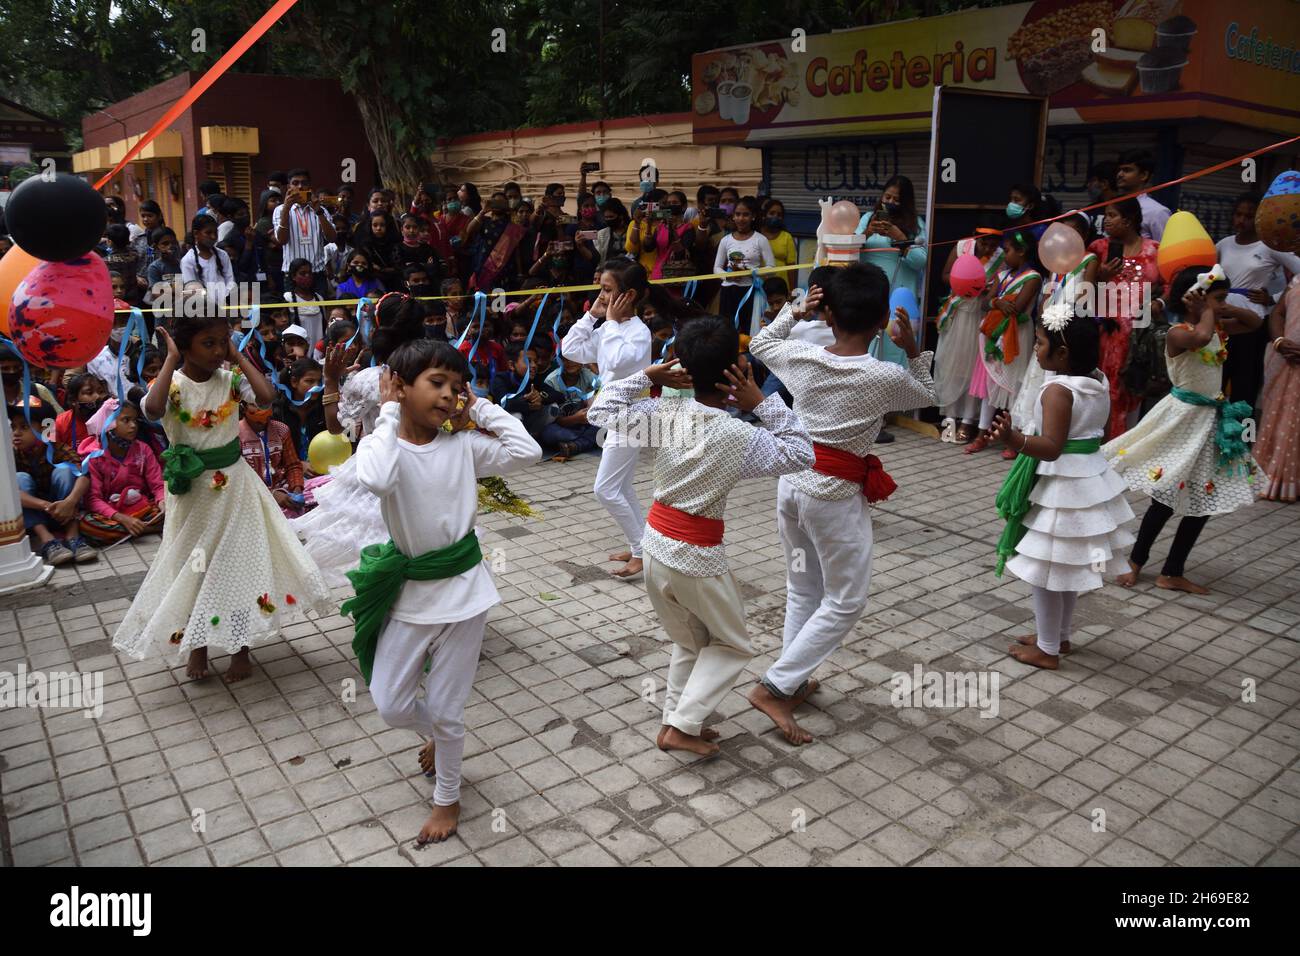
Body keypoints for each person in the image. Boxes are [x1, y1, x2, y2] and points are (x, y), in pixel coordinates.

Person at [343, 340, 541, 844]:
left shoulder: (461, 445)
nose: (450, 396)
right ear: (401, 387)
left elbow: (528, 451)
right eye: (437, 383)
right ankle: (435, 735)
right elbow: (381, 479)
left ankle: (447, 798)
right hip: (411, 593)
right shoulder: (377, 445)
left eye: (457, 387)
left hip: (466, 593)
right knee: (390, 703)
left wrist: (481, 406)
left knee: (451, 711)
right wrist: (387, 414)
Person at [587, 318, 814, 756]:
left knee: (691, 641)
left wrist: (646, 375)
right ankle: (684, 725)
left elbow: (600, 413)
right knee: (731, 644)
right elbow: (801, 453)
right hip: (696, 556)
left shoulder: (664, 413)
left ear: (681, 369)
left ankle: (676, 722)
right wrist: (763, 402)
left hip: (654, 546)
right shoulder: (739, 435)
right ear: (737, 371)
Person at [746, 263, 935, 744]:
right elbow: (931, 394)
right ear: (880, 326)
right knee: (846, 599)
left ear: (827, 314)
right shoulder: (884, 374)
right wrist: (914, 350)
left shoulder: (803, 357)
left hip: (791, 486)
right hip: (833, 496)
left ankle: (791, 681)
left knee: (803, 588)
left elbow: (760, 344)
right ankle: (776, 686)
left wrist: (795, 308)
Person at [111, 318, 330, 680]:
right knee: (194, 567)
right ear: (185, 346)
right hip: (192, 494)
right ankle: (196, 646)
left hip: (235, 489)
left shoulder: (230, 381)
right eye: (207, 344)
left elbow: (266, 397)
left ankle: (240, 648)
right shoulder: (171, 385)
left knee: (237, 568)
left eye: (222, 342)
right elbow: (152, 410)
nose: (217, 351)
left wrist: (238, 356)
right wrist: (170, 359)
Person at [988, 305, 1134, 669]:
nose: (1036, 349)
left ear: (1063, 353)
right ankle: (1058, 636)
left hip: (1062, 485)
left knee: (1047, 572)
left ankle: (1048, 649)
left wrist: (1014, 438)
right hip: (1086, 479)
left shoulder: (1058, 390)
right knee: (1065, 570)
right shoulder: (1096, 380)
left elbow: (1051, 447)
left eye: (1040, 343)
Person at [1103, 268, 1262, 594]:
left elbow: (1255, 324)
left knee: (1204, 498)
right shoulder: (1177, 332)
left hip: (1210, 422)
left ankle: (1172, 571)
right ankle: (1136, 560)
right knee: (1166, 497)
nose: (1222, 306)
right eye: (1218, 299)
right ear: (1195, 300)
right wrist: (1207, 311)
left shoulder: (1217, 326)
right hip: (1182, 421)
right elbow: (1201, 339)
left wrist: (1222, 309)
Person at [292, 294, 428, 585]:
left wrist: (330, 379)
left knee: (381, 545)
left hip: (379, 466)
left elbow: (336, 429)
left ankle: (387, 604)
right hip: (428, 464)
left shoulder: (370, 379)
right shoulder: (434, 373)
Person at [560, 259, 654, 578]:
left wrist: (610, 322)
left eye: (607, 290)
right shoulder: (610, 328)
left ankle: (642, 552)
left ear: (627, 295)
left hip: (634, 417)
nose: (601, 296)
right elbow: (571, 349)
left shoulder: (638, 333)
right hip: (618, 418)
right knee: (621, 486)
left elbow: (614, 359)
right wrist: (592, 316)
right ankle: (643, 544)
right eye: (600, 289)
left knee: (605, 488)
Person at [1216, 191, 1300, 413]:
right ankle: (1214, 439)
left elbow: (1299, 272)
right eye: (1238, 215)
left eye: (1249, 216)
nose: (1241, 220)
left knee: (1245, 384)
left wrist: (1272, 298)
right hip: (1223, 322)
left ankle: (1242, 440)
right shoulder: (1223, 245)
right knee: (1217, 381)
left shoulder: (1269, 247)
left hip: (1253, 323)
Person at [1089, 197, 1161, 438]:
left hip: (1139, 332)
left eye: (1111, 215)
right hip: (1104, 330)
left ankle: (1123, 446)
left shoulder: (1155, 250)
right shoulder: (1098, 248)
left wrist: (1157, 303)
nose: (1105, 221)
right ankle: (1095, 442)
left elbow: (1171, 285)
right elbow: (1081, 287)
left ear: (1128, 220)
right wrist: (1101, 276)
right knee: (1100, 387)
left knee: (1130, 387)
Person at [965, 231, 1042, 455]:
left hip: (1016, 336)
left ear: (1021, 252)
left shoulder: (1033, 277)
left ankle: (1013, 440)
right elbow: (986, 302)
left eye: (1007, 251)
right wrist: (998, 301)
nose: (1004, 255)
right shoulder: (1004, 275)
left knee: (1013, 385)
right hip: (994, 334)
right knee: (991, 385)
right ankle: (982, 435)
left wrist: (997, 302)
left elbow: (1017, 307)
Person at [935, 231, 1003, 443]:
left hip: (979, 316)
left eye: (993, 245)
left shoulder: (1000, 256)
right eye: (984, 243)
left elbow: (1000, 285)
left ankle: (968, 421)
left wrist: (986, 288)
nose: (988, 249)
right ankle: (949, 419)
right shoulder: (962, 246)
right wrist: (963, 282)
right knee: (951, 365)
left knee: (972, 369)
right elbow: (945, 274)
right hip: (958, 313)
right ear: (976, 239)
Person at [10, 403, 95, 566]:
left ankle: (73, 536)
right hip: (38, 515)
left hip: (66, 512)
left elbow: (84, 476)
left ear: (44, 429)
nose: (16, 433)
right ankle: (48, 541)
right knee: (19, 478)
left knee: (65, 471)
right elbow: (12, 493)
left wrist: (69, 502)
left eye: (24, 427)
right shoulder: (13, 454)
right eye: (14, 427)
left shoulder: (58, 449)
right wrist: (47, 506)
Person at [77, 397, 166, 545]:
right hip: (111, 512)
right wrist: (122, 519)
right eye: (126, 420)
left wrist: (163, 502)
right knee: (88, 524)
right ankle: (144, 528)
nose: (133, 426)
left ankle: (136, 528)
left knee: (170, 510)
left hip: (141, 507)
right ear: (109, 424)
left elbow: (157, 485)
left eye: (135, 420)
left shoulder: (143, 449)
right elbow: (93, 499)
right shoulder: (94, 457)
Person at [1256, 275, 1300, 501]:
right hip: (1286, 359)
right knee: (1281, 416)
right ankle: (1274, 476)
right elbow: (1278, 313)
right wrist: (1281, 341)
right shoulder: (1297, 280)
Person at [714, 198, 775, 330]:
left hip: (750, 291)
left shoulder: (761, 239)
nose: (741, 218)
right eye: (738, 214)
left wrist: (752, 272)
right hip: (728, 292)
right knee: (726, 329)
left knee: (748, 328)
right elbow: (717, 268)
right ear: (733, 216)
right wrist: (728, 276)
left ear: (753, 217)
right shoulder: (726, 240)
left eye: (746, 214)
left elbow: (771, 267)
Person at [272, 168, 336, 295]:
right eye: (295, 183)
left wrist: (318, 211)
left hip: (317, 275)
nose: (300, 186)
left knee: (320, 313)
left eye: (304, 183)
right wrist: (286, 209)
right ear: (289, 187)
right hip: (292, 277)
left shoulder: (321, 209)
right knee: (294, 314)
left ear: (309, 186)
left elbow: (332, 238)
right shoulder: (280, 210)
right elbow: (281, 240)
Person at [239, 398, 305, 518]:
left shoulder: (281, 430)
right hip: (251, 496)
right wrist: (271, 495)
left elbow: (293, 465)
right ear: (244, 408)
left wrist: (297, 488)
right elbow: (238, 480)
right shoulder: (235, 436)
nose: (261, 410)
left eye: (265, 404)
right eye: (254, 405)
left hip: (283, 490)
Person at [273, 357, 326, 463]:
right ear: (294, 382)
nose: (316, 386)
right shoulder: (279, 410)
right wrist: (297, 464)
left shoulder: (323, 406)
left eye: (319, 381)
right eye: (309, 381)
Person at [179, 214, 235, 310]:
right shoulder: (188, 260)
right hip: (202, 309)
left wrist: (226, 297)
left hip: (225, 306)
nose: (213, 237)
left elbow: (230, 280)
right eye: (208, 233)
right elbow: (192, 289)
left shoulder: (223, 255)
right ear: (196, 234)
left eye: (215, 233)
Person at [1116, 149, 1171, 242]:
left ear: (1144, 175)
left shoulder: (1157, 212)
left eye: (1127, 170)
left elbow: (1165, 249)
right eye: (1119, 170)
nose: (1119, 175)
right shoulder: (1113, 206)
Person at [760, 199, 798, 270]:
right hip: (759, 280)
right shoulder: (756, 235)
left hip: (781, 280)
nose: (775, 216)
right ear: (764, 215)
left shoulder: (787, 237)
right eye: (772, 213)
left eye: (779, 215)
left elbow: (791, 266)